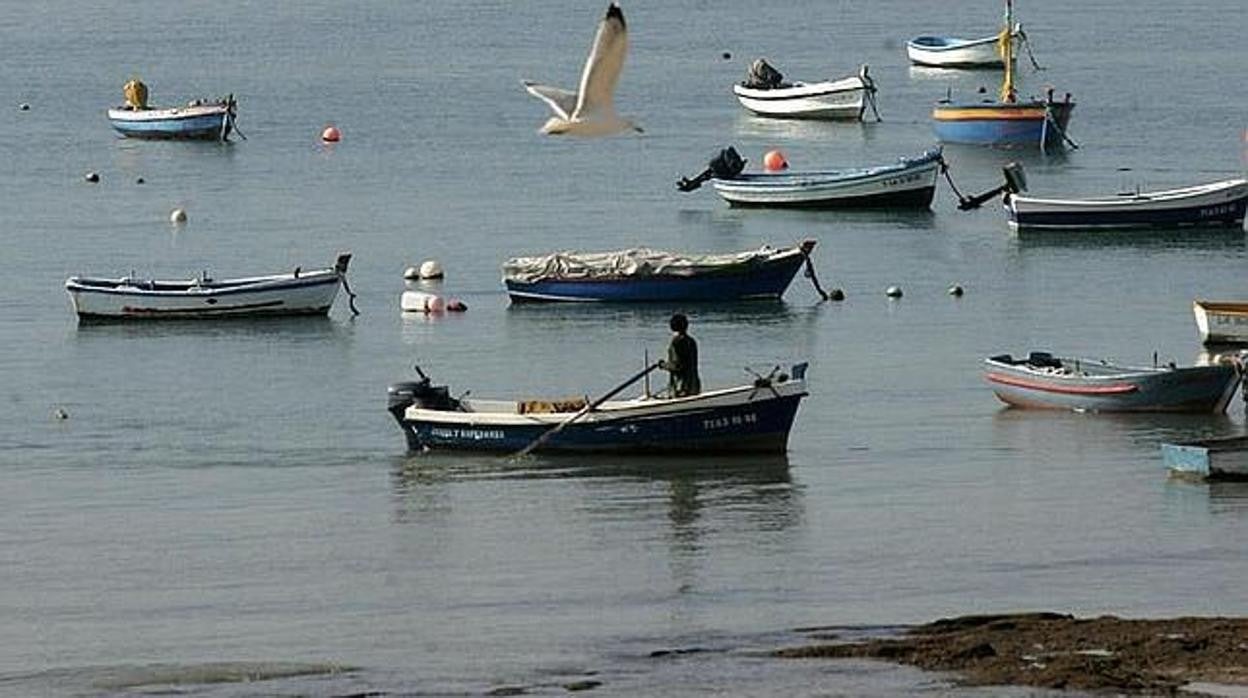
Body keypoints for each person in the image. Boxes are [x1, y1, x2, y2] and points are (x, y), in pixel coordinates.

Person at [659, 313, 701, 397]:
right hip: (694, 385)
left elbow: (677, 366)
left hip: (681, 388)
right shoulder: (691, 341)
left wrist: (662, 365)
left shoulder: (677, 342)